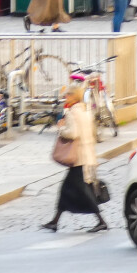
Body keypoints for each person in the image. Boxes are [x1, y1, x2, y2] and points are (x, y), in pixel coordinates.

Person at [43, 87, 105, 232]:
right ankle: (55, 221)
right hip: (87, 156)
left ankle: (101, 221)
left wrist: (60, 128)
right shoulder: (86, 112)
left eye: (67, 95)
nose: (65, 98)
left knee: (81, 191)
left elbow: (72, 133)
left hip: (78, 158)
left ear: (73, 97)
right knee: (67, 190)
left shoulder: (72, 113)